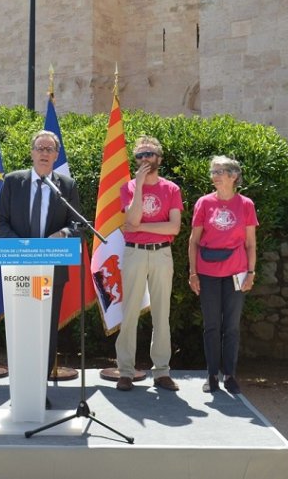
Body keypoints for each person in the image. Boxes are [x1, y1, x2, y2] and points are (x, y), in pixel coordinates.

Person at [0, 129, 82, 403]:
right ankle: (20, 390)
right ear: (32, 152)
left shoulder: (66, 185)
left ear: (56, 156)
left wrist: (64, 234)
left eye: (49, 149)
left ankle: (39, 390)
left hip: (51, 272)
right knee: (21, 328)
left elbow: (77, 224)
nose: (44, 153)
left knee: (45, 329)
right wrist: (23, 249)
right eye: (40, 148)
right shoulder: (13, 182)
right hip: (19, 270)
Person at [115, 136, 183, 392]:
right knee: (129, 312)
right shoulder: (129, 187)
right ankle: (125, 372)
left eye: (149, 154)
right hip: (134, 253)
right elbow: (130, 216)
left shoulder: (171, 189)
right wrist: (140, 185)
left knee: (161, 314)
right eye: (140, 155)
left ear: (159, 159)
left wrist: (140, 227)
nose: (145, 159)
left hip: (161, 254)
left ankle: (162, 372)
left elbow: (174, 227)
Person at [187, 156, 258, 395]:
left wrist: (251, 272)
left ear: (233, 176)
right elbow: (193, 241)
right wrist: (193, 273)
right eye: (213, 172)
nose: (214, 176)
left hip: (236, 273)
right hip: (207, 273)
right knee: (212, 326)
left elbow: (250, 243)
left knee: (232, 326)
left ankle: (229, 375)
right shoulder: (204, 203)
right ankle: (211, 375)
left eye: (219, 172)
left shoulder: (246, 204)